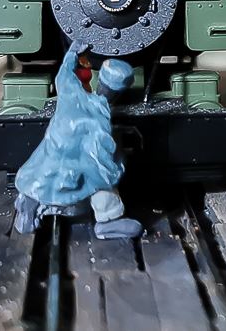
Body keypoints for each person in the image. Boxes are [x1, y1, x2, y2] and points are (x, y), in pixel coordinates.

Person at [13, 41, 142, 239]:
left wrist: (72, 54)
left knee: (38, 176)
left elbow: (63, 76)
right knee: (104, 187)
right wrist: (119, 164)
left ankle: (27, 207)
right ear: (118, 92)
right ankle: (108, 222)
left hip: (47, 165)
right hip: (74, 176)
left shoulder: (71, 94)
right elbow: (100, 161)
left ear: (101, 81)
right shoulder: (101, 123)